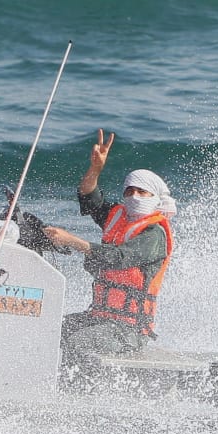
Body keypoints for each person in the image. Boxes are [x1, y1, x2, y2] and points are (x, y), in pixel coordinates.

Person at [41, 128, 176, 361]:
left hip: (130, 329)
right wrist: (96, 168)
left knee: (78, 342)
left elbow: (119, 258)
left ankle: (77, 393)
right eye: (130, 190)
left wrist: (72, 241)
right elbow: (89, 198)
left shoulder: (155, 233)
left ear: (154, 198)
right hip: (99, 316)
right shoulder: (117, 216)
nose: (134, 196)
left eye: (141, 192)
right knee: (49, 328)